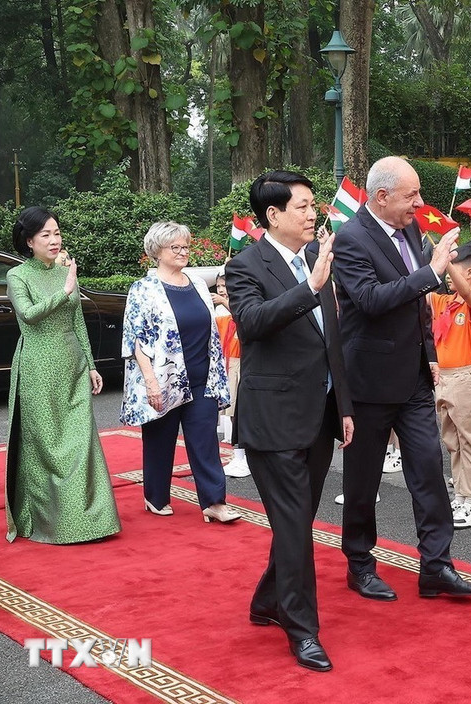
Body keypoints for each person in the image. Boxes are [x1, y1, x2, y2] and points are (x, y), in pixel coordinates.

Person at [332, 155, 471, 600]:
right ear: (381, 197)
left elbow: (418, 304)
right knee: (362, 481)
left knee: (428, 470)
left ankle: (436, 566)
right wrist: (432, 272)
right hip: (368, 380)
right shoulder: (351, 239)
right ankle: (360, 564)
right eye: (411, 195)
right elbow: (371, 300)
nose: (419, 203)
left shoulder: (410, 229)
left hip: (415, 377)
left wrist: (431, 353)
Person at [225, 170, 354, 673]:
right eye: (302, 206)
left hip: (319, 415)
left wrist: (343, 406)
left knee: (293, 522)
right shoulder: (244, 266)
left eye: (312, 204)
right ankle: (303, 630)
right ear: (273, 215)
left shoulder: (313, 259)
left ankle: (267, 600)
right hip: (273, 419)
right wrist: (310, 286)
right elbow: (252, 323)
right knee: (298, 527)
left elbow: (331, 340)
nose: (312, 213)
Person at [4, 207, 120, 544]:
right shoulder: (18, 276)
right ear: (29, 242)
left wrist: (92, 364)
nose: (55, 241)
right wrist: (65, 290)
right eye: (46, 235)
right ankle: (48, 523)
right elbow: (28, 316)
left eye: (57, 233)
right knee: (48, 446)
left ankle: (90, 521)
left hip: (73, 364)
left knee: (81, 441)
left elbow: (77, 322)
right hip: (38, 366)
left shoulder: (65, 271)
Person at [120, 221, 239, 525]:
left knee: (205, 440)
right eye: (176, 247)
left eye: (186, 246)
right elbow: (135, 338)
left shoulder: (198, 283)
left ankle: (214, 501)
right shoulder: (143, 289)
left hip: (202, 378)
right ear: (156, 251)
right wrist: (149, 381)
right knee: (160, 439)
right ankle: (155, 495)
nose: (184, 252)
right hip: (163, 378)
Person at [430, 245, 471, 528]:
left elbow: (467, 292)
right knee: (452, 441)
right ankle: (461, 495)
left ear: (469, 272)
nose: (448, 277)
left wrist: (445, 262)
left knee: (470, 440)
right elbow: (424, 291)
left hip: (465, 377)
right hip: (444, 378)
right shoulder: (444, 302)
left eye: (454, 271)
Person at [213, 270, 249, 478]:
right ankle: (239, 456)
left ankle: (242, 458)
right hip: (228, 358)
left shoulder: (240, 302)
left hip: (240, 358)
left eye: (224, 286)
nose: (221, 290)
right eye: (219, 286)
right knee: (233, 409)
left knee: (239, 410)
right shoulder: (219, 308)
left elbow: (241, 317)